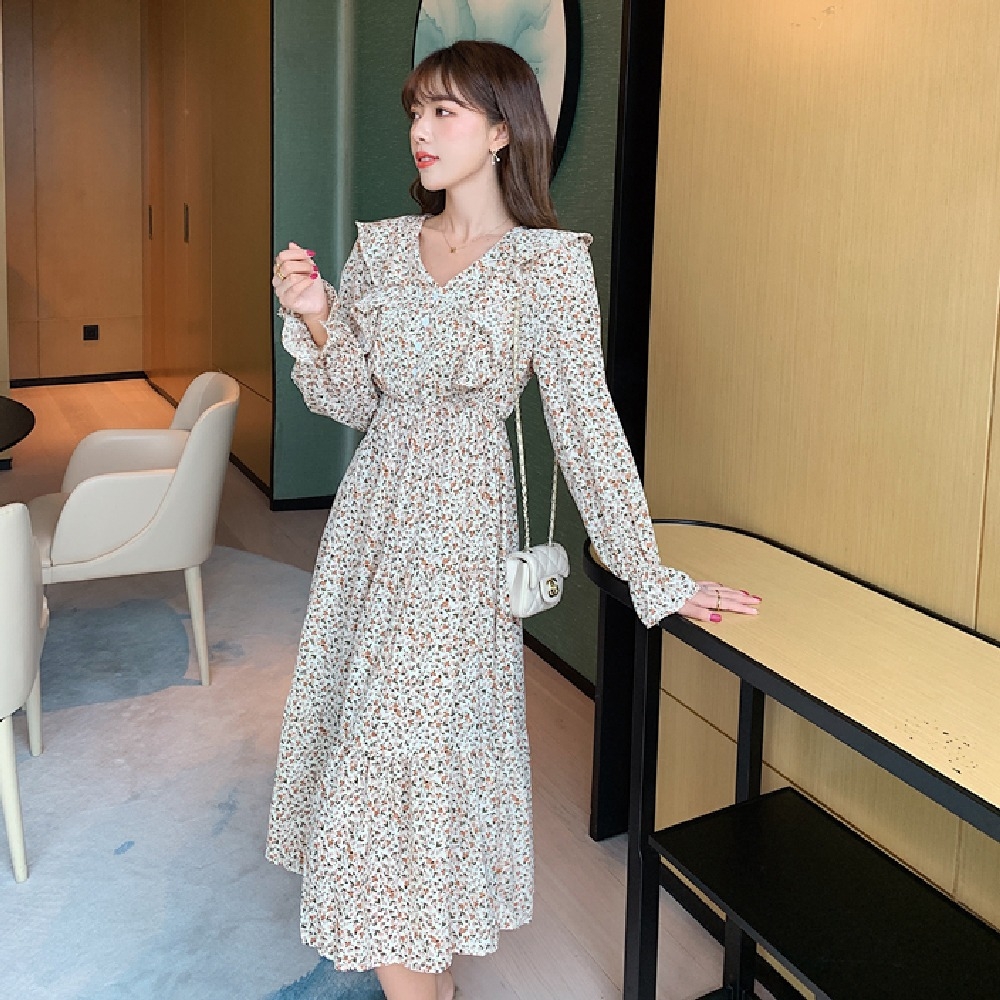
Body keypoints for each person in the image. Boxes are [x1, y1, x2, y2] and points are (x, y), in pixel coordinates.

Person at [268, 39, 759, 1000]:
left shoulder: (546, 267)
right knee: (376, 742)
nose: (420, 130)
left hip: (462, 533)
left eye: (444, 111)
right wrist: (320, 314)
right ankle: (429, 975)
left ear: (501, 131)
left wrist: (647, 571)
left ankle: (418, 974)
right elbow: (355, 400)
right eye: (416, 111)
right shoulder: (381, 248)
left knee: (410, 753)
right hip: (372, 523)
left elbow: (586, 426)